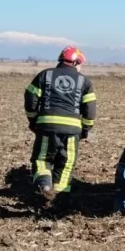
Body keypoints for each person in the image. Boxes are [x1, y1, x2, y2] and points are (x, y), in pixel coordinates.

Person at [23, 46, 97, 206]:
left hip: (46, 127)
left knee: (42, 159)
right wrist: (85, 129)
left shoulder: (45, 75)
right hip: (72, 130)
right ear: (76, 62)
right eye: (80, 64)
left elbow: (30, 97)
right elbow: (90, 110)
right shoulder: (84, 81)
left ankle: (45, 186)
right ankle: (58, 198)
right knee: (67, 163)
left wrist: (33, 119)